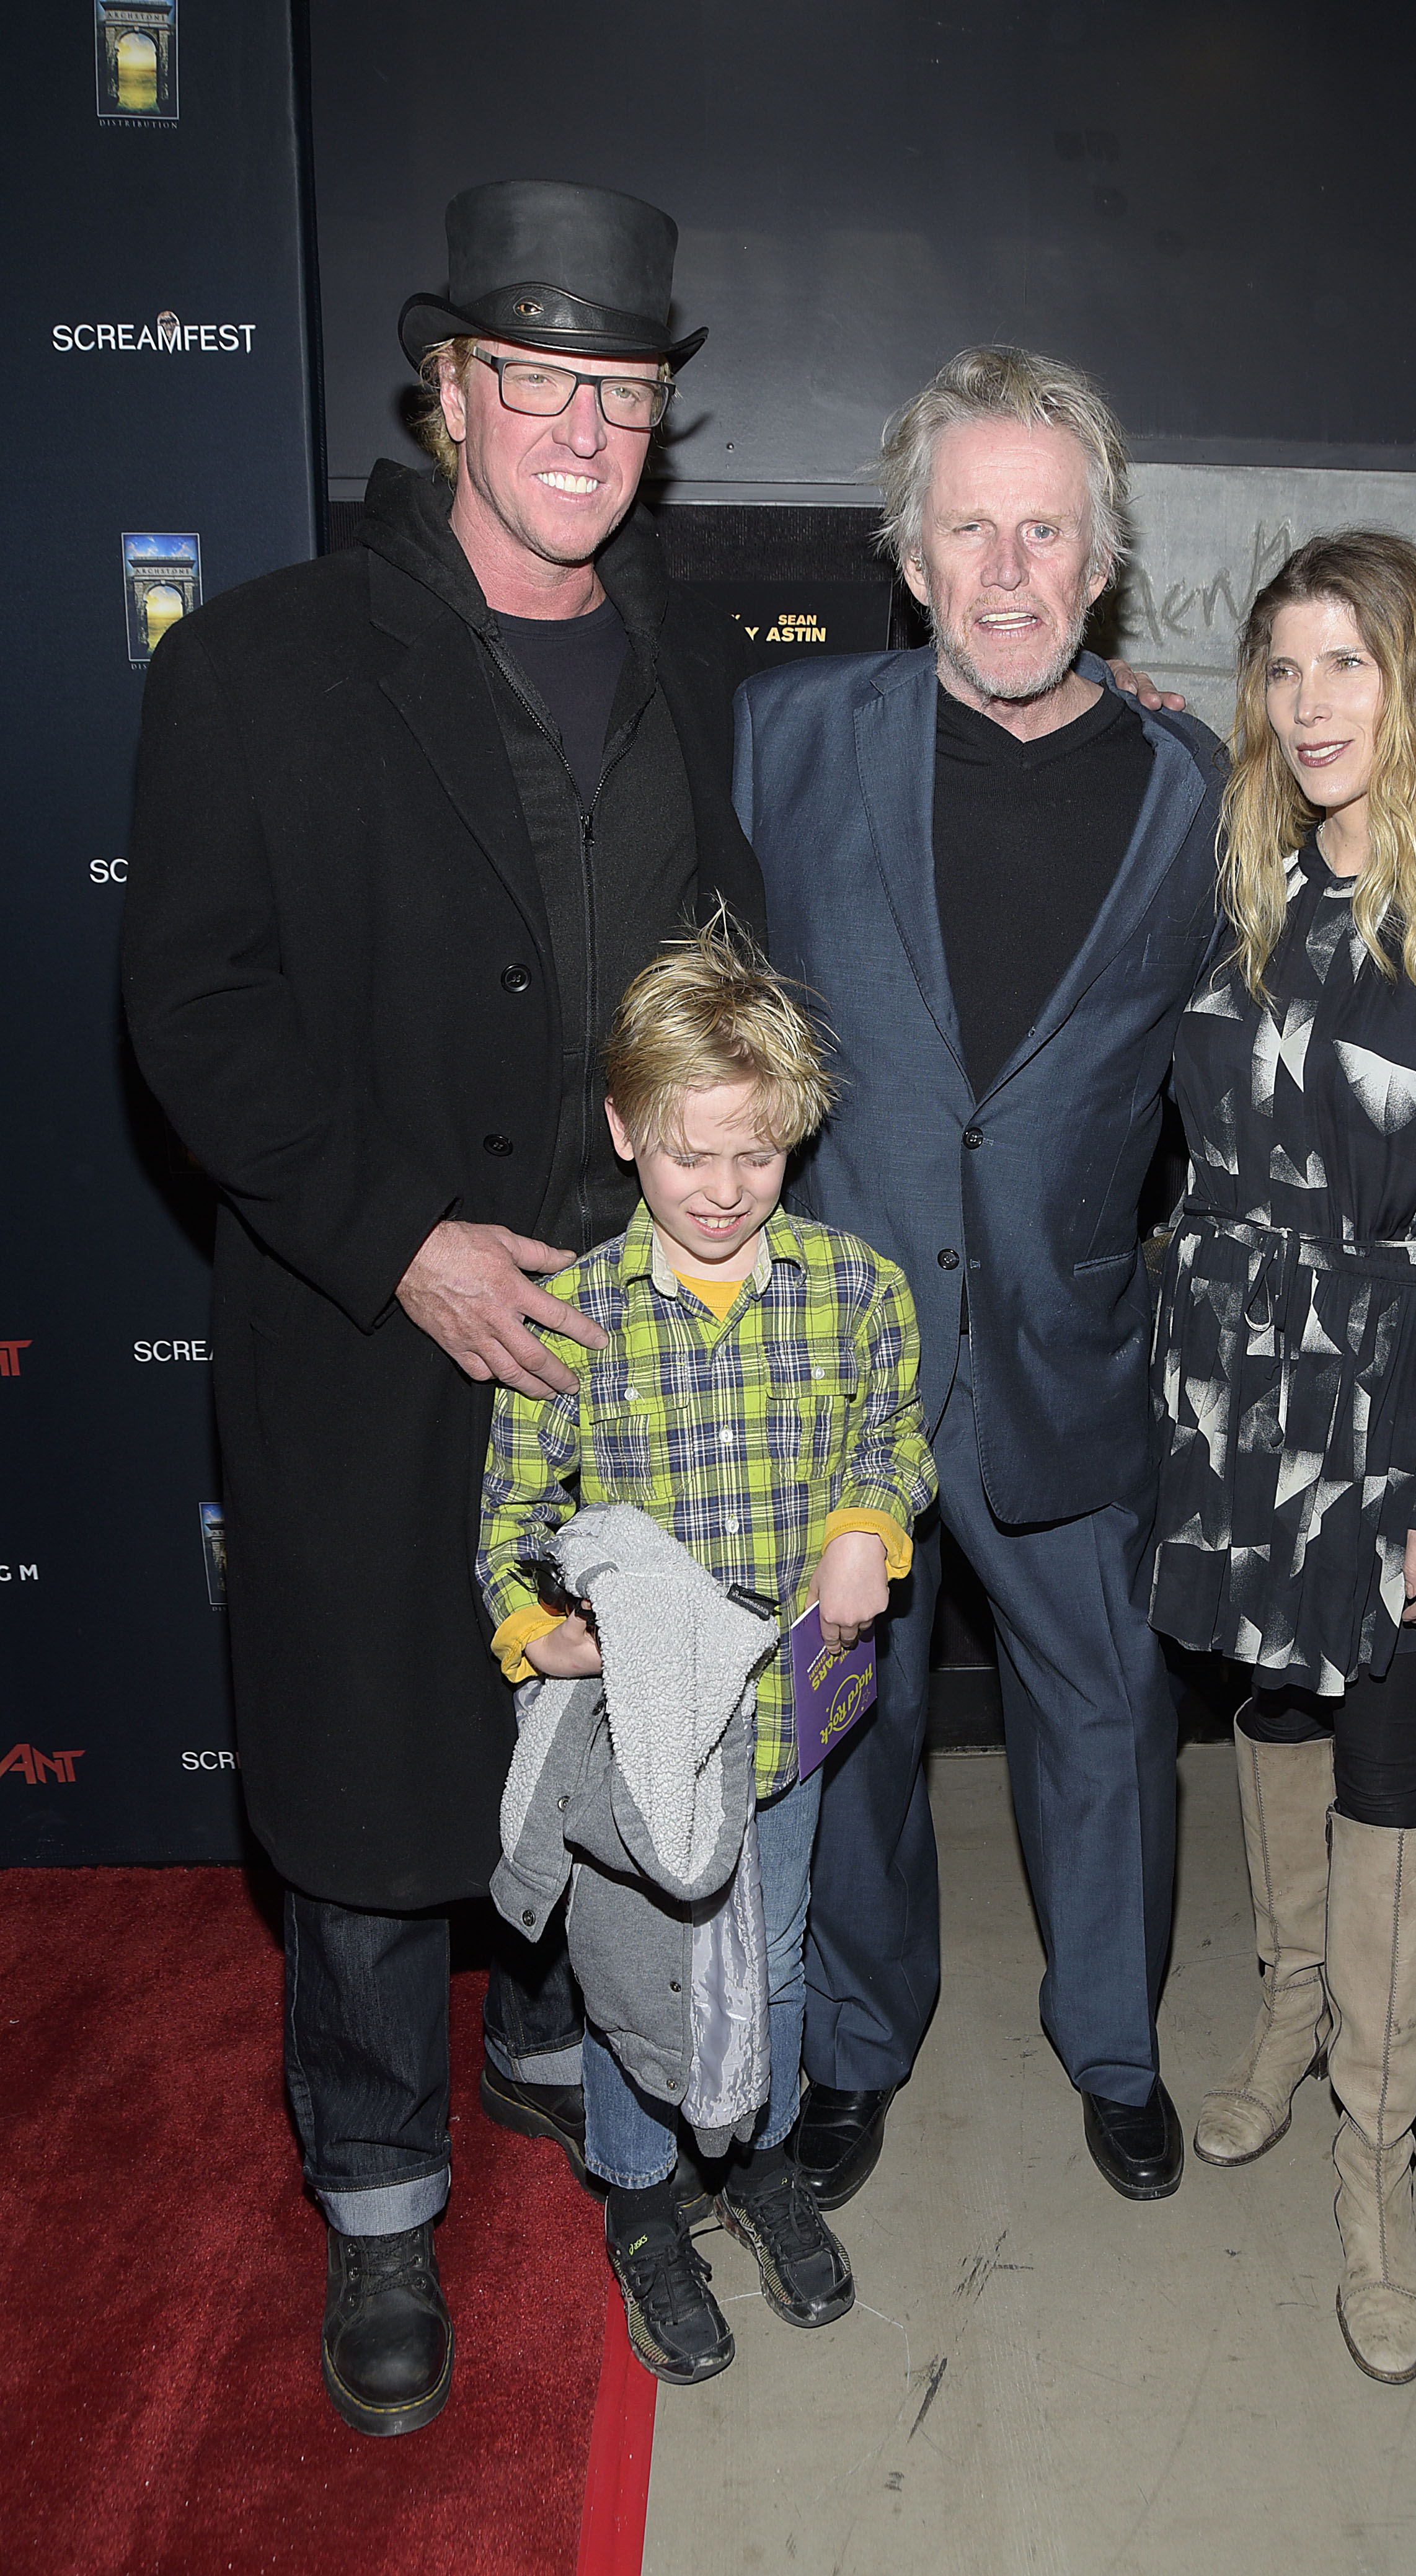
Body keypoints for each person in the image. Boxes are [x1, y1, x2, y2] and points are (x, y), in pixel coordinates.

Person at [122, 179, 763, 2435]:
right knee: (386, 1787)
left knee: (589, 1736)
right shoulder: (258, 664)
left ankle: (552, 2048)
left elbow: (723, 973)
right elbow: (192, 1010)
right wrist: (397, 1232)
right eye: (542, 376)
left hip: (618, 1346)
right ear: (452, 391)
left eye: (626, 386)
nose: (587, 421)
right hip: (381, 1337)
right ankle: (378, 2205)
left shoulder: (687, 662)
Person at [735, 346, 1223, 2209]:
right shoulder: (781, 740)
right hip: (845, 1364)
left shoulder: (1197, 781)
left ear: (1101, 560)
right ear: (909, 554)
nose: (1007, 569)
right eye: (969, 530)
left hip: (1067, 1339)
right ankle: (860, 2043)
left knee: (1104, 1726)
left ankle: (1114, 2044)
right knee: (844, 1734)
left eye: (1045, 530)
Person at [1147, 530, 1416, 2384]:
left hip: (1406, 1401)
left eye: (1351, 665)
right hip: (1238, 1383)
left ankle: (1374, 2161)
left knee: (1392, 1756)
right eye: (1284, 667)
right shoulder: (1242, 877)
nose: (1312, 704)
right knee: (1266, 1707)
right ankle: (1281, 2019)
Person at [476, 917, 937, 2383]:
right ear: (624, 1133)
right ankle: (643, 2200)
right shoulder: (578, 1314)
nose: (725, 1189)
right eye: (690, 1155)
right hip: (633, 1749)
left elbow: (893, 1433)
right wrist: (535, 1629)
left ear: (796, 1134)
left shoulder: (855, 1291)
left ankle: (762, 2163)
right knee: (637, 1991)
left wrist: (874, 1515)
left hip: (785, 1731)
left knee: (774, 1956)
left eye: (757, 1153)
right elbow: (511, 1513)